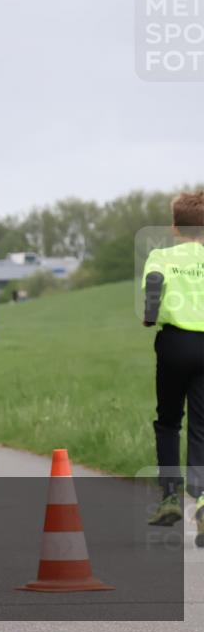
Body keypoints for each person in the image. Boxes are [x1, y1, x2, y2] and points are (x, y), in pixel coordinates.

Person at [142, 190, 204, 545]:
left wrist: (150, 317)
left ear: (176, 227)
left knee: (168, 421)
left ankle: (169, 498)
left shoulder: (162, 256)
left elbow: (154, 283)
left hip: (175, 344)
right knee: (201, 426)